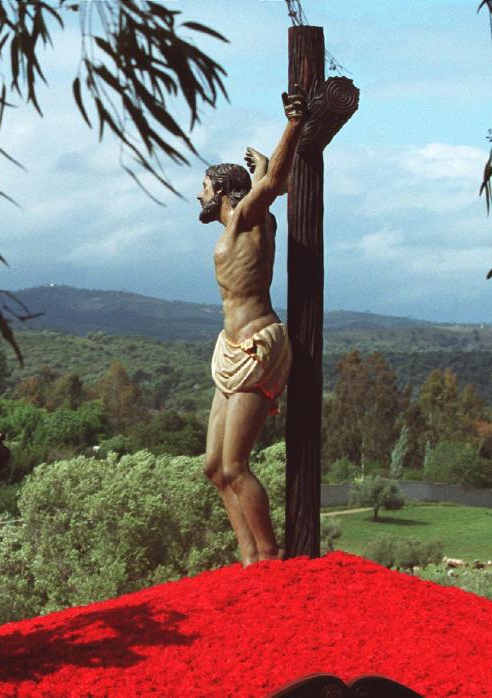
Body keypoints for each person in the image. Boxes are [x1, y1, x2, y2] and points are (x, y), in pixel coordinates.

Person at [200, 89, 307, 566]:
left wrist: (293, 125)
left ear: (222, 190)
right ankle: (248, 556)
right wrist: (262, 167)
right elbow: (269, 182)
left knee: (234, 465)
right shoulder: (241, 225)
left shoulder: (248, 218)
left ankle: (268, 554)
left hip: (256, 345)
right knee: (212, 468)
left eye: (205, 186)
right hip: (230, 347)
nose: (200, 195)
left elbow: (276, 183)